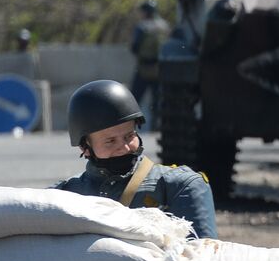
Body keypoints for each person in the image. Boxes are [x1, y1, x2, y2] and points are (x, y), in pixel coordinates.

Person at [55, 79, 218, 239]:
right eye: (110, 141)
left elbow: (201, 257)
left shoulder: (178, 186)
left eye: (129, 136)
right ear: (85, 147)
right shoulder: (64, 195)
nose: (125, 147)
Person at [129, 0, 170, 123]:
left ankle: (130, 124)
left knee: (133, 99)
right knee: (157, 99)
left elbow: (134, 47)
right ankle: (156, 125)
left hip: (143, 68)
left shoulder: (142, 26)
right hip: (159, 68)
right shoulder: (164, 26)